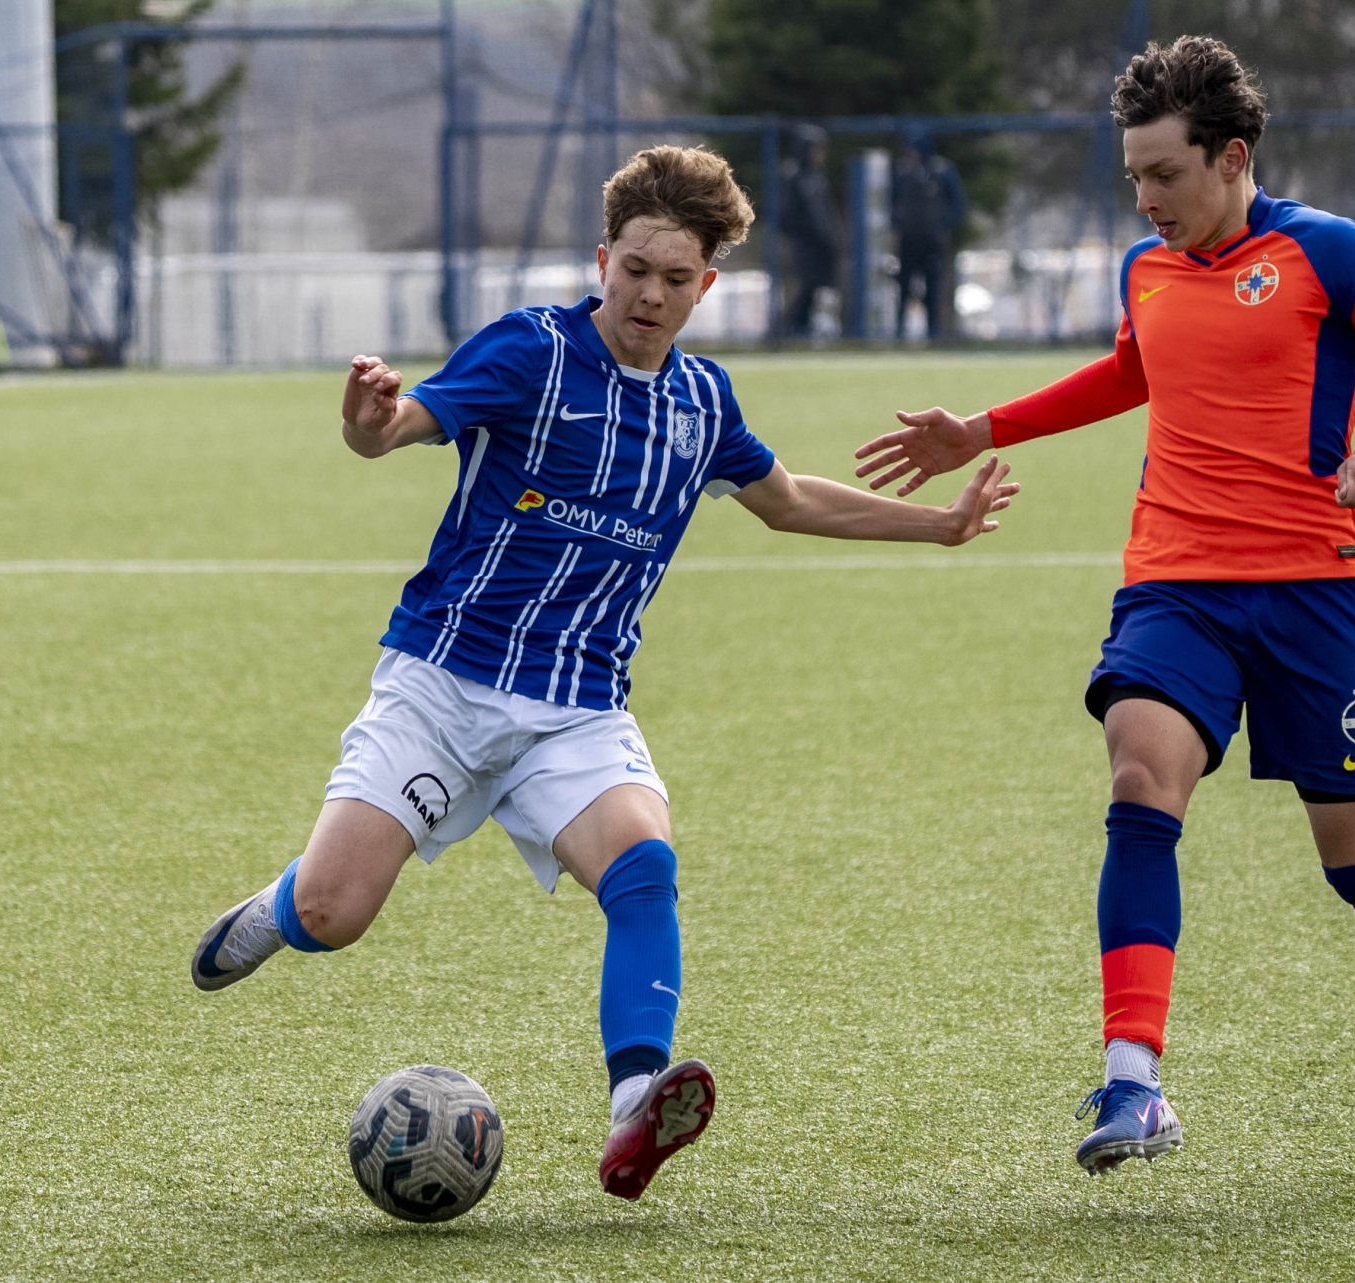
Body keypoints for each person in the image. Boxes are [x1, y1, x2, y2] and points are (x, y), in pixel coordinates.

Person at [190, 146, 1017, 1202]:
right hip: (444, 683)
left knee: (643, 863)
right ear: (602, 261)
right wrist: (369, 419)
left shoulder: (703, 401)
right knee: (337, 909)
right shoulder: (531, 351)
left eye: (675, 278)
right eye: (634, 270)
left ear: (704, 286)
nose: (650, 295)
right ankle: (280, 908)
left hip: (577, 706)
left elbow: (788, 499)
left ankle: (635, 1103)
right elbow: (400, 426)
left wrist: (938, 525)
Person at [854, 37, 1355, 1174]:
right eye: (1133, 177)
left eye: (1164, 175)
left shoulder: (1336, 255)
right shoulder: (1147, 269)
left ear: (1231, 158)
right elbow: (1132, 372)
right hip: (1176, 578)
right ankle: (1133, 1079)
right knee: (1140, 779)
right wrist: (980, 428)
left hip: (1314, 588)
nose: (1145, 200)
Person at [891, 130, 966, 340]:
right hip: (908, 241)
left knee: (933, 290)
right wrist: (899, 222)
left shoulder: (942, 170)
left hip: (933, 242)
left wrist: (941, 222)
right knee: (903, 288)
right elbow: (891, 202)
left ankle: (933, 334)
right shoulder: (902, 173)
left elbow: (958, 204)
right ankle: (900, 334)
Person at [780, 125, 839, 337]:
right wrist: (808, 232)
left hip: (821, 248)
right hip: (802, 247)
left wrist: (830, 237)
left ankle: (806, 331)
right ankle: (791, 331)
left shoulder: (818, 178)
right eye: (816, 149)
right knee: (802, 290)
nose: (820, 154)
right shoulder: (793, 176)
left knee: (817, 292)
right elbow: (786, 216)